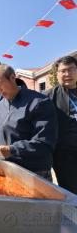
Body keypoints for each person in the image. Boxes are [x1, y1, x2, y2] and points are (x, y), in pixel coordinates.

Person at [0, 64, 58, 180]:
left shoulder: (39, 102)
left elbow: (44, 143)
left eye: (0, 85)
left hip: (35, 172)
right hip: (9, 168)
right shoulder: (0, 106)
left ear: (12, 78)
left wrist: (12, 149)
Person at [45, 56, 77, 194]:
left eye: (71, 69)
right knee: (70, 191)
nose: (67, 74)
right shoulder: (48, 97)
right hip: (63, 155)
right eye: (63, 71)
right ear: (57, 74)